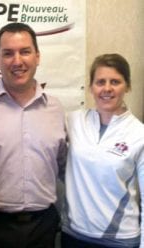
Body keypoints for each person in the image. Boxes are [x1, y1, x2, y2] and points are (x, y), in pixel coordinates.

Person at [0, 22, 67, 248]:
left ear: (37, 56)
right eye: (8, 53)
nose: (17, 61)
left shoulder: (56, 108)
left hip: (43, 227)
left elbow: (65, 166)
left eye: (25, 51)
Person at [61, 53, 144, 248]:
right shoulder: (73, 120)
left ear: (128, 86)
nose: (107, 88)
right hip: (73, 235)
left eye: (115, 81)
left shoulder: (139, 134)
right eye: (100, 82)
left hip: (118, 240)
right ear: (91, 87)